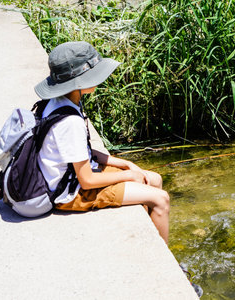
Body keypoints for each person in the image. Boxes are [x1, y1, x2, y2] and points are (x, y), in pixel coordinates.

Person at [34, 41, 170, 244]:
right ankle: (163, 264)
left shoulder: (59, 103)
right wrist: (128, 174)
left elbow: (82, 152)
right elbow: (86, 180)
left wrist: (123, 163)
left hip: (72, 178)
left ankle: (149, 240)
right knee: (161, 199)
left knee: (154, 179)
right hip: (70, 194)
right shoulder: (70, 122)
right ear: (79, 82)